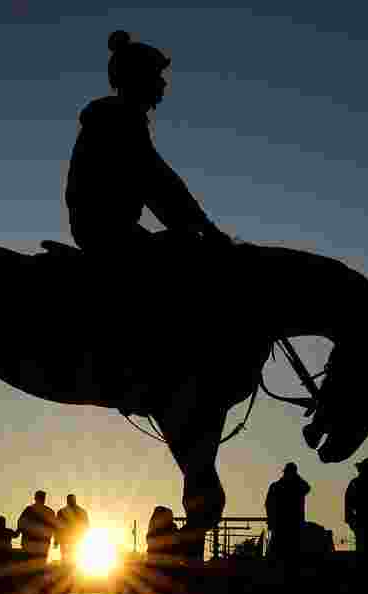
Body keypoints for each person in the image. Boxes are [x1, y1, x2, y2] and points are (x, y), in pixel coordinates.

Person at [64, 30, 234, 414]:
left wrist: (194, 224)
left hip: (110, 223)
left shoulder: (121, 118)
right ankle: (131, 368)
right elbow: (155, 179)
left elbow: (156, 180)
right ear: (137, 78)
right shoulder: (119, 119)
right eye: (157, 77)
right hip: (105, 226)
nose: (162, 85)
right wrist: (201, 227)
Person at [265, 462, 311, 561]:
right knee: (284, 554)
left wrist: (270, 519)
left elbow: (268, 504)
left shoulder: (278, 486)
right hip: (287, 525)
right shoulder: (296, 487)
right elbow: (268, 504)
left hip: (288, 525)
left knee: (282, 554)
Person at [17, 491, 57, 560]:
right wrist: (56, 539)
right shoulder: (50, 511)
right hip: (43, 542)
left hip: (30, 541)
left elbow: (21, 522)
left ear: (35, 498)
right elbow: (54, 527)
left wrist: (18, 532)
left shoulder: (29, 509)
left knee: (28, 563)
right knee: (40, 563)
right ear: (44, 499)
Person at [55, 494, 90, 564]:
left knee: (68, 558)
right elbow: (86, 525)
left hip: (68, 539)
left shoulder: (61, 512)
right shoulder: (82, 511)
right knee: (74, 557)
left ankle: (66, 571)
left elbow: (57, 527)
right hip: (75, 539)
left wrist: (56, 540)